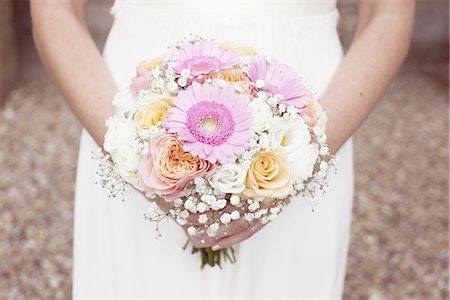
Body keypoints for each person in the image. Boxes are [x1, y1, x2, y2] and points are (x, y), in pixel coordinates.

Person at [30, 0, 414, 298]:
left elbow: (388, 14)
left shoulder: (307, 139)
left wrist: (302, 156)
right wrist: (131, 150)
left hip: (310, 113)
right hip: (134, 108)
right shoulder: (128, 135)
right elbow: (55, 10)